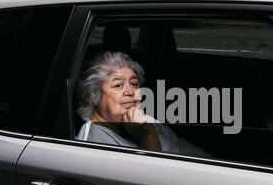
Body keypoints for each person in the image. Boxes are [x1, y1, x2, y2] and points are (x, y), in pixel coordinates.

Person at [76, 51, 208, 157]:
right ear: (94, 94)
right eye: (118, 85)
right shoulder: (94, 144)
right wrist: (147, 134)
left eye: (134, 84)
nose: (130, 91)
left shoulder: (141, 119)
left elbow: (181, 147)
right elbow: (153, 181)